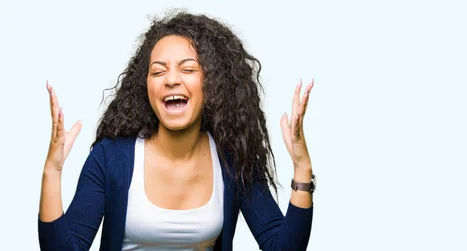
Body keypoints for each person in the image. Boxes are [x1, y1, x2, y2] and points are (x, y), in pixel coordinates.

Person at [38, 11, 315, 251]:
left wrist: (302, 169)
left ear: (212, 82)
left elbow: (282, 246)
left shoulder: (232, 161)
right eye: (158, 72)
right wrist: (52, 170)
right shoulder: (110, 158)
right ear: (145, 87)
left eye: (188, 69)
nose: (171, 79)